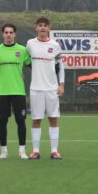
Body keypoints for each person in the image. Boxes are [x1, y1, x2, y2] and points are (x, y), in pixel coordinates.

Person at [26, 17, 65, 160]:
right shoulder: (30, 44)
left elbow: (61, 66)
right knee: (36, 119)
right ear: (36, 27)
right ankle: (35, 151)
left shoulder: (55, 45)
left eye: (45, 26)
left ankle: (54, 151)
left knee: (53, 119)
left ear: (49, 28)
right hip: (36, 88)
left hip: (51, 88)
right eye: (40, 25)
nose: (42, 28)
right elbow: (25, 61)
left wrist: (61, 84)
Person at [0, 23, 30, 160]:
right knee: (2, 122)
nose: (8, 35)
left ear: (15, 34)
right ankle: (3, 151)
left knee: (21, 121)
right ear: (3, 34)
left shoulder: (22, 50)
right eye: (6, 32)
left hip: (18, 91)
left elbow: (32, 64)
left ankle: (22, 151)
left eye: (11, 32)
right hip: (2, 92)